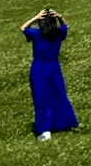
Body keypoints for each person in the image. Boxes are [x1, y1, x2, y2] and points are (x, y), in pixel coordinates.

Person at [21, 8, 78, 140]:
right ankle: (65, 122)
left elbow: (23, 28)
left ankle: (44, 129)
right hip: (54, 67)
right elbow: (66, 26)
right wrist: (59, 16)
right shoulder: (59, 34)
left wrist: (36, 17)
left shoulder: (36, 34)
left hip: (38, 69)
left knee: (41, 98)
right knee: (58, 94)